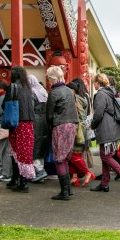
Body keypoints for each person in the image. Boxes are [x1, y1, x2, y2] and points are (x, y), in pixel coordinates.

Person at [90, 74, 120, 194]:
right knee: (106, 155)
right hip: (113, 128)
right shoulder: (110, 92)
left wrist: (92, 124)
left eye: (94, 82)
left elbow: (98, 113)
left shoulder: (101, 94)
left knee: (106, 156)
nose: (93, 85)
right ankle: (104, 183)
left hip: (106, 129)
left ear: (98, 83)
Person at [44, 67, 79, 200]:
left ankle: (65, 191)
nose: (47, 81)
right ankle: (67, 190)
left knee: (59, 159)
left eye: (48, 78)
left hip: (60, 126)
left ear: (52, 78)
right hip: (72, 125)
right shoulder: (69, 91)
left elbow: (49, 115)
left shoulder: (54, 93)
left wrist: (49, 129)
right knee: (65, 158)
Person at [4, 66, 36, 193]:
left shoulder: (13, 87)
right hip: (28, 122)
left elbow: (5, 103)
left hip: (17, 122)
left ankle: (20, 181)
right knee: (25, 151)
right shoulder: (28, 88)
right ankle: (21, 179)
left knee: (16, 151)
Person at [67, 81, 95, 187]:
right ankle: (74, 177)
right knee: (74, 154)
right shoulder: (83, 98)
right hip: (82, 129)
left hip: (77, 130)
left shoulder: (75, 99)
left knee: (74, 155)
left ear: (72, 90)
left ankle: (87, 172)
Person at [29, 74, 49, 183]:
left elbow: (30, 109)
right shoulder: (43, 91)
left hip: (35, 121)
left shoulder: (32, 92)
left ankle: (39, 171)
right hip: (44, 121)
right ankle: (41, 171)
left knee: (34, 146)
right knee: (41, 146)